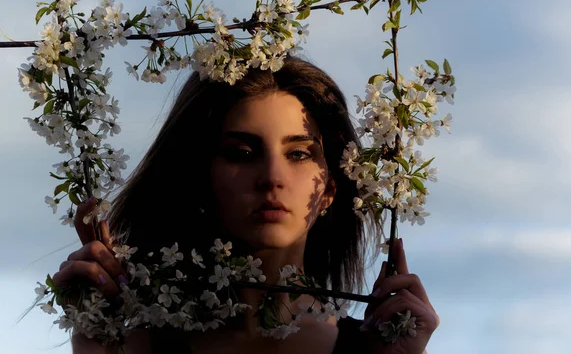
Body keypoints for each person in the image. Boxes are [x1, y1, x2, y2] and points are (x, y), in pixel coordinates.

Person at [52, 56, 439, 354]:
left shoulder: (374, 349)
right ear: (199, 176)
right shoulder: (134, 345)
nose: (272, 176)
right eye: (241, 152)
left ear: (332, 186)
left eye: (300, 154)